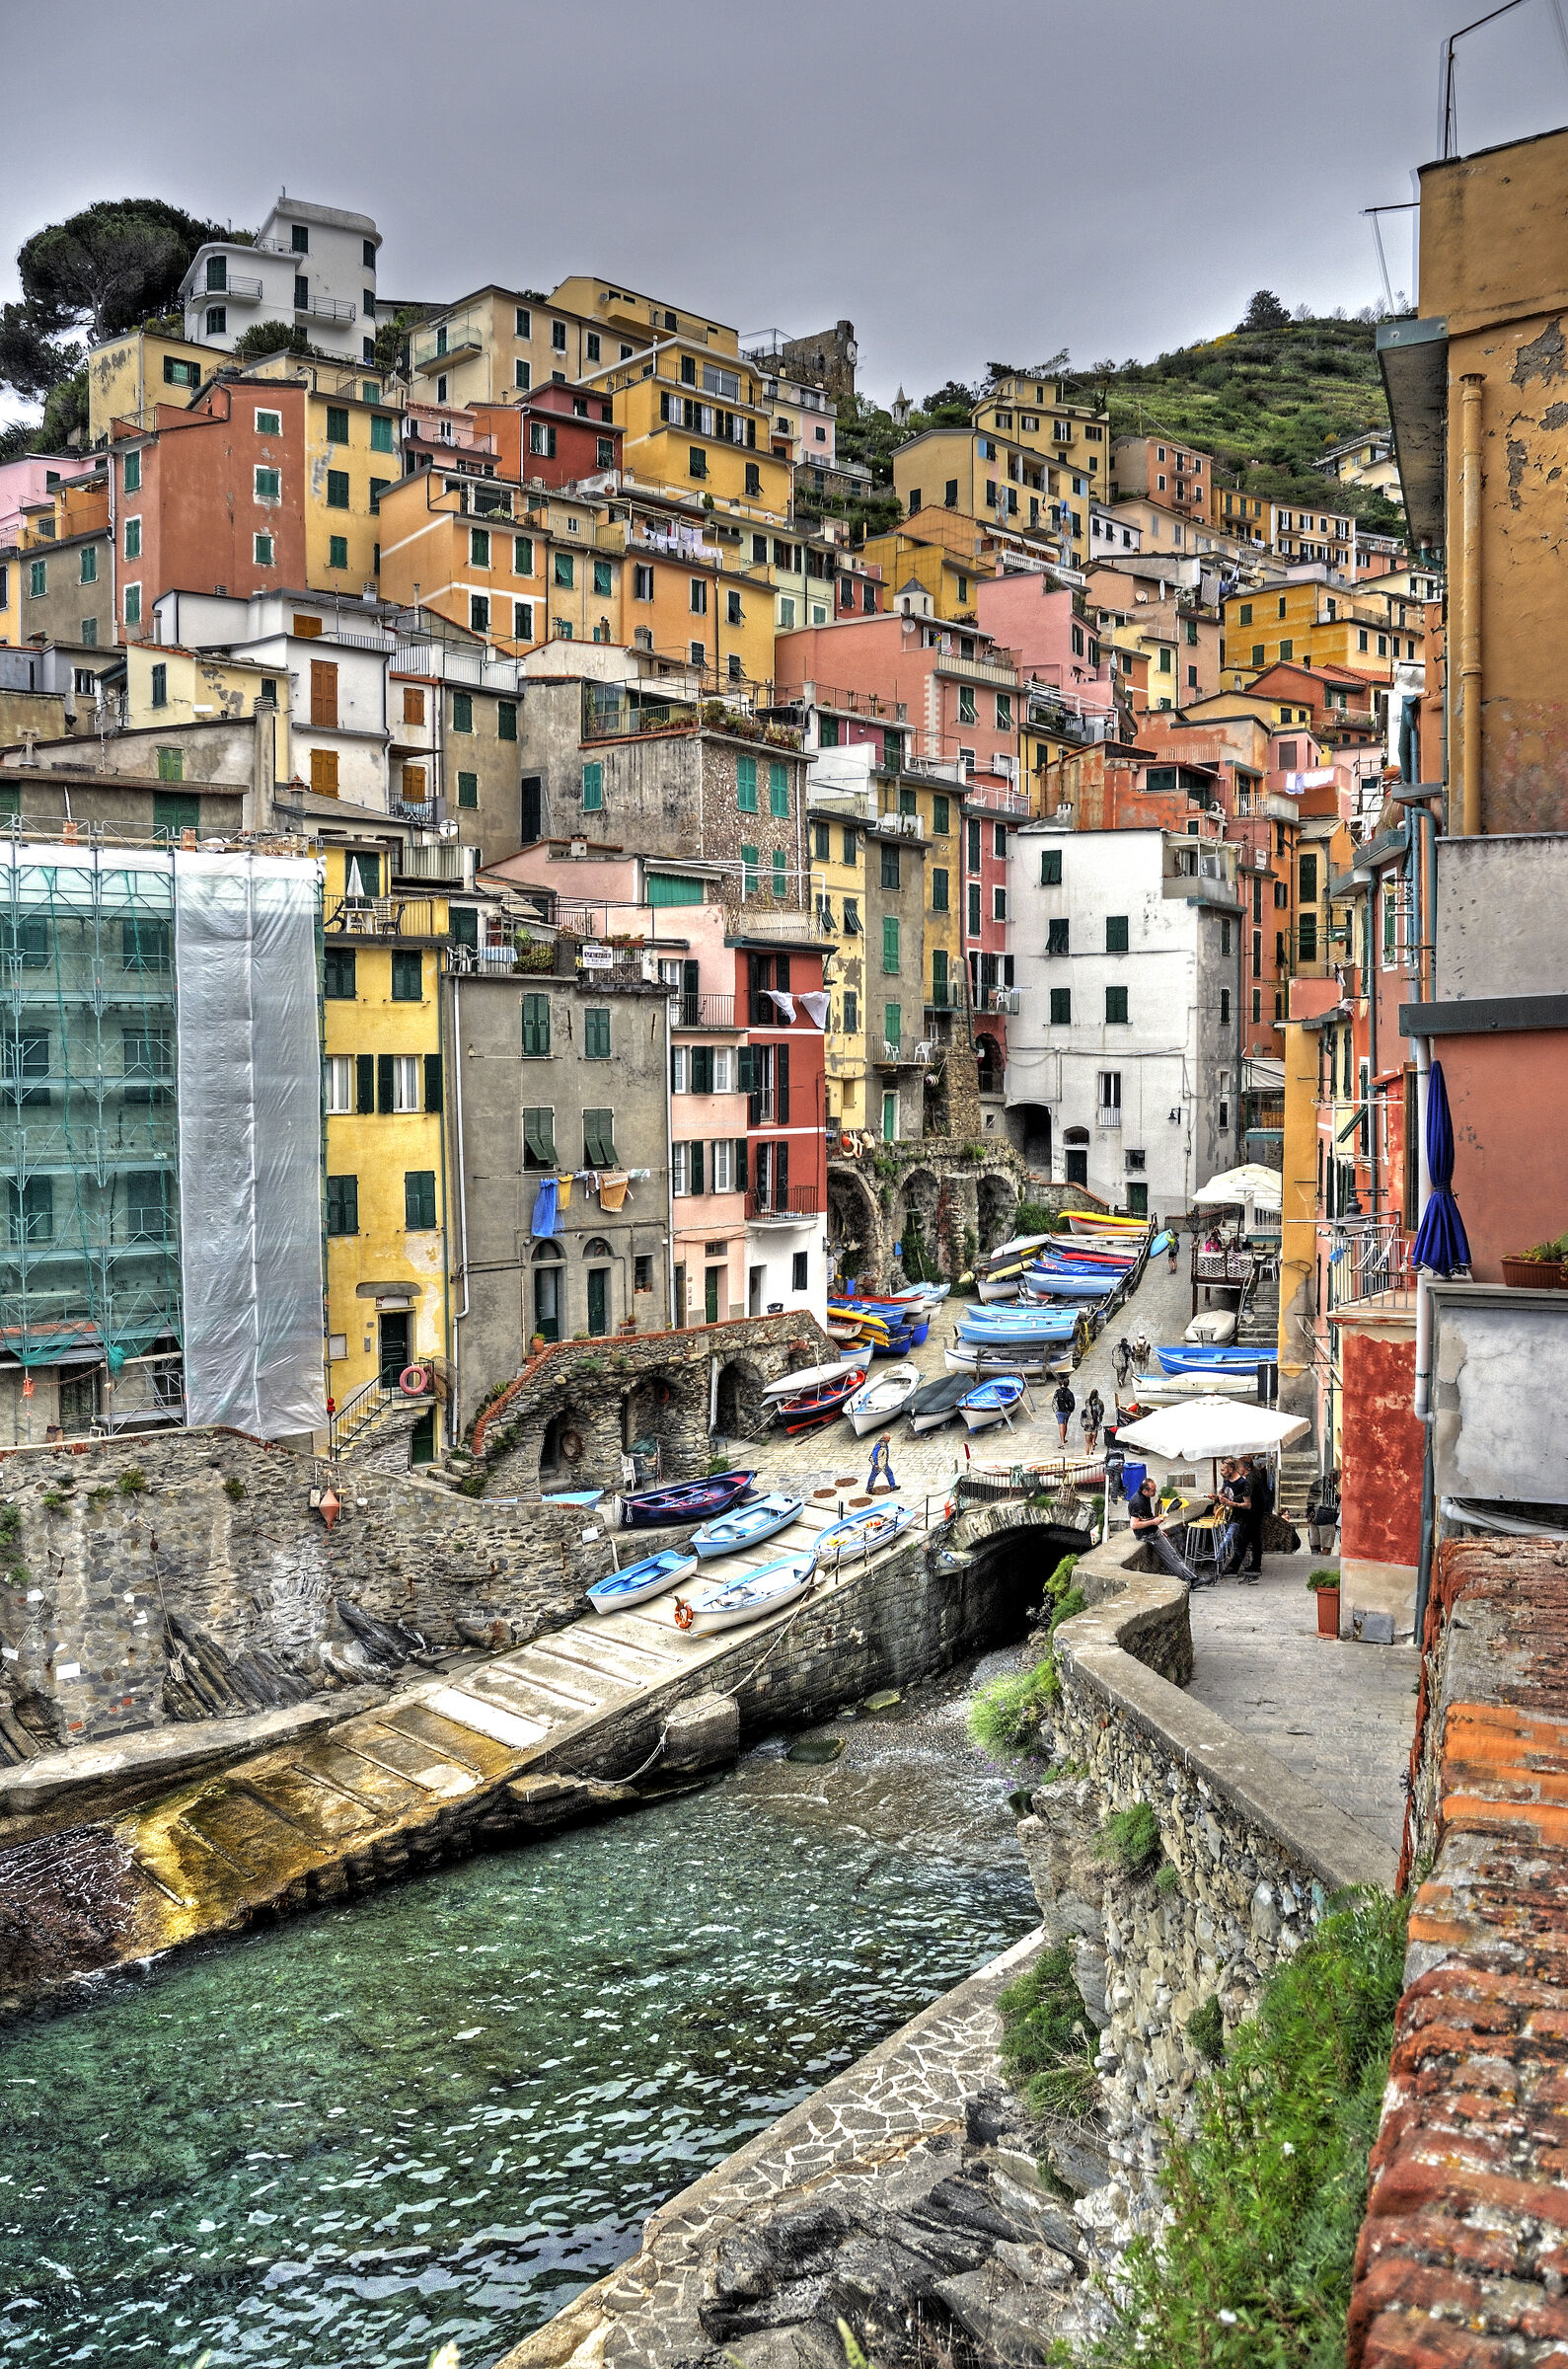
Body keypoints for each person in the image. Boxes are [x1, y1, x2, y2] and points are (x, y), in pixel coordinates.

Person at [1129, 1475, 1199, 1584]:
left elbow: (1147, 1516)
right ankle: (1192, 1580)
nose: (1155, 1492)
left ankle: (1192, 1577)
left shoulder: (1145, 1498)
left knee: (1174, 1554)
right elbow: (1134, 1525)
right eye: (1153, 1490)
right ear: (1145, 1491)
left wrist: (1156, 1527)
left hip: (1153, 1531)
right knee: (1170, 1557)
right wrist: (1153, 1522)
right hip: (1147, 1535)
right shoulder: (1137, 1502)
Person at [1053, 1377, 1076, 1447]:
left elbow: (1054, 1401)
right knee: (1065, 1424)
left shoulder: (1057, 1391)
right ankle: (1064, 1439)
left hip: (1059, 1411)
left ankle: (1062, 1441)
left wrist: (1055, 1411)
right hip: (1067, 1412)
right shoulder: (1070, 1393)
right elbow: (1072, 1403)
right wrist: (1070, 1410)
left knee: (1061, 1425)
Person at [1081, 1387, 1104, 1455]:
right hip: (1095, 1424)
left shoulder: (1087, 1401)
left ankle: (1087, 1454)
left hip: (1087, 1426)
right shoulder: (1100, 1402)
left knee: (1087, 1443)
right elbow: (1102, 1411)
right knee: (1094, 1435)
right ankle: (1093, 1445)